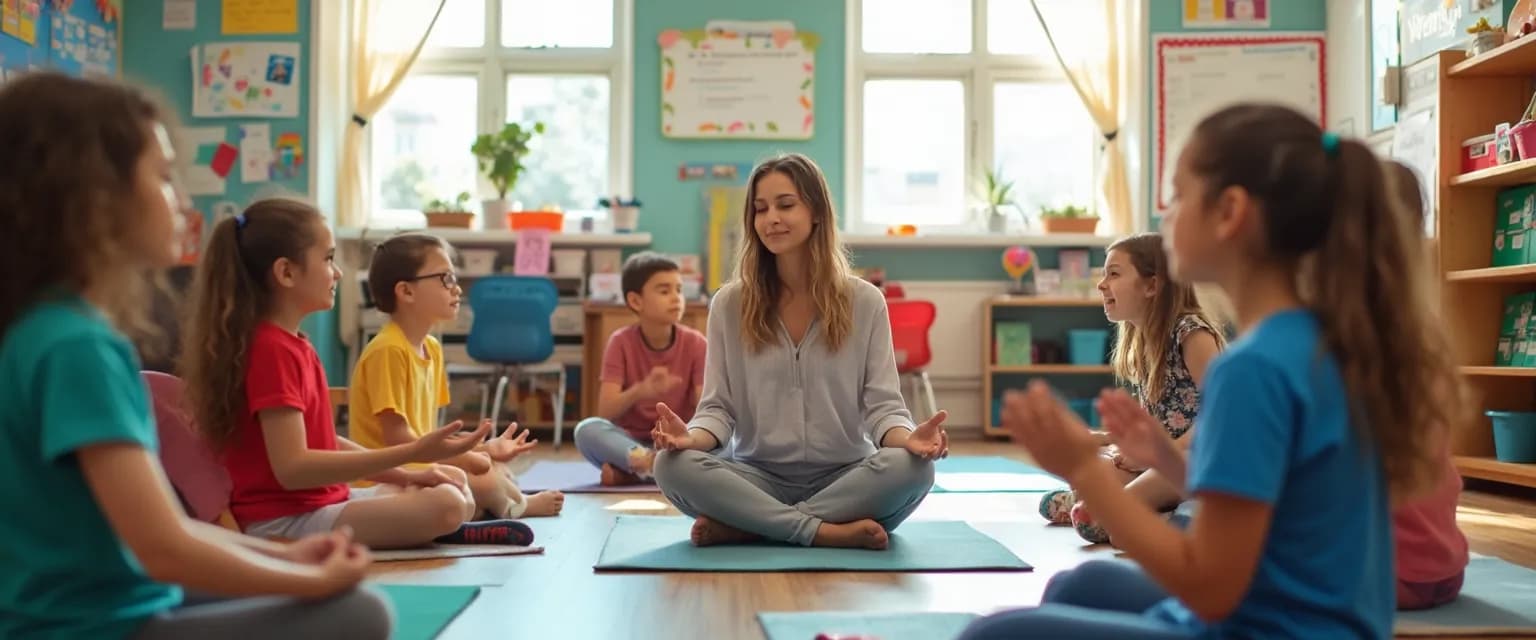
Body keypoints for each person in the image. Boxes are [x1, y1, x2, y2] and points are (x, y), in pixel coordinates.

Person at [965, 104, 1467, 638]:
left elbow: (1210, 586)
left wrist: (1083, 470)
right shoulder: (1325, 342)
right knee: (1078, 586)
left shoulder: (1252, 368)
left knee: (992, 634)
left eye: (1178, 196)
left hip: (1267, 626)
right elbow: (1264, 498)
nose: (1166, 215)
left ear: (1229, 213)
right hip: (1317, 615)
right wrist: (1162, 455)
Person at [0, 71, 391, 639]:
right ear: (93, 199)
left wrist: (287, 558)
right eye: (162, 177)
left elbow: (164, 530)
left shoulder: (39, 328)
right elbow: (162, 547)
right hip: (90, 624)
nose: (182, 201)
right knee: (362, 613)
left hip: (96, 593)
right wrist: (307, 581)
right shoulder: (76, 345)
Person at [180, 198, 534, 549]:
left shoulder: (293, 345)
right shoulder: (271, 350)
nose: (338, 272)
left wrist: (411, 472)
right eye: (329, 259)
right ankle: (441, 527)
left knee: (451, 483)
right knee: (448, 503)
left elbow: (325, 442)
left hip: (322, 503)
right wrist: (410, 455)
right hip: (282, 521)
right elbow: (292, 468)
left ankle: (441, 525)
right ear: (286, 272)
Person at [650, 153, 947, 549]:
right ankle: (823, 531)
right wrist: (690, 439)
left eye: (786, 205)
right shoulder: (729, 304)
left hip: (846, 477)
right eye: (760, 209)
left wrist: (909, 439)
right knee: (671, 466)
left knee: (914, 470)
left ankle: (751, 526)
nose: (771, 217)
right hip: (756, 477)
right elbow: (718, 409)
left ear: (817, 212)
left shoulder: (865, 301)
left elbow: (883, 408)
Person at [350, 232, 563, 517]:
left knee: (492, 471)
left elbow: (428, 435)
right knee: (482, 480)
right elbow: (399, 440)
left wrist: (483, 448)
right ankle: (515, 509)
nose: (457, 288)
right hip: (385, 481)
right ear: (406, 291)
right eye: (445, 278)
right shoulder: (388, 350)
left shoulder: (432, 349)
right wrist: (467, 457)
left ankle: (492, 506)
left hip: (420, 469)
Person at [1038, 233, 1224, 544]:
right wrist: (1110, 440)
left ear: (1152, 285)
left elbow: (1224, 417)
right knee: (1088, 478)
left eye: (1114, 273)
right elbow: (1160, 421)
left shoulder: (1192, 335)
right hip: (1161, 458)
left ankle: (1157, 517)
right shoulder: (1145, 341)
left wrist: (1159, 453)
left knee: (1113, 521)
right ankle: (1145, 511)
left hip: (1200, 460)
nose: (1101, 284)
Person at [573, 251, 707, 485]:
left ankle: (633, 473)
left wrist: (682, 434)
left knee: (729, 441)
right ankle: (655, 467)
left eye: (679, 290)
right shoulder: (620, 342)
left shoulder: (696, 343)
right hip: (632, 445)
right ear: (636, 301)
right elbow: (606, 411)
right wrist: (641, 390)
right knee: (587, 431)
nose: (676, 298)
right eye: (664, 291)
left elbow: (706, 408)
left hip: (679, 443)